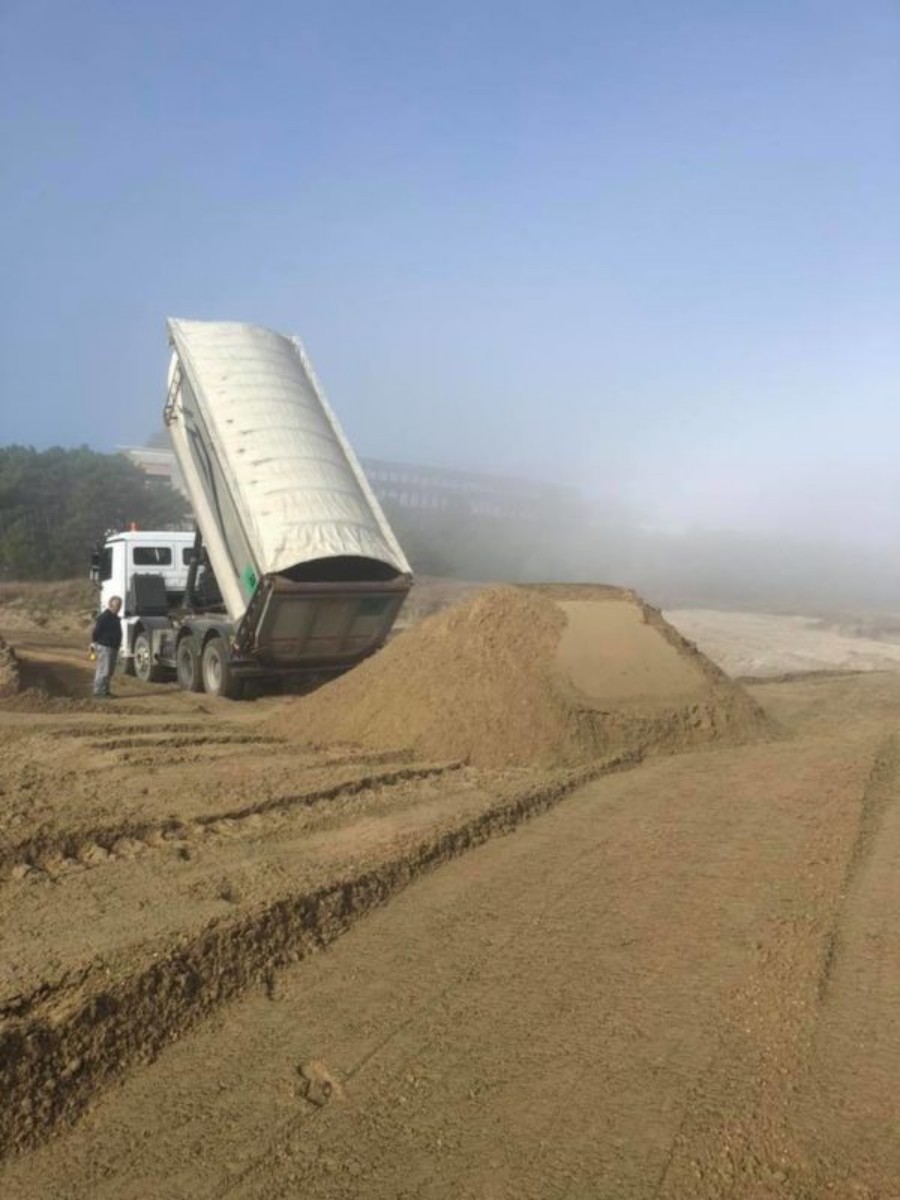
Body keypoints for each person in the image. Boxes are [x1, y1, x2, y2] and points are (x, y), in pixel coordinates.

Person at [91, 596, 122, 698]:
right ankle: (99, 692)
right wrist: (94, 643)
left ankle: (105, 691)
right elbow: (96, 631)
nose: (118, 607)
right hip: (105, 646)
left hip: (112, 647)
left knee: (108, 671)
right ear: (110, 605)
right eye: (116, 605)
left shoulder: (115, 617)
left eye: (119, 605)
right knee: (103, 670)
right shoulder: (104, 617)